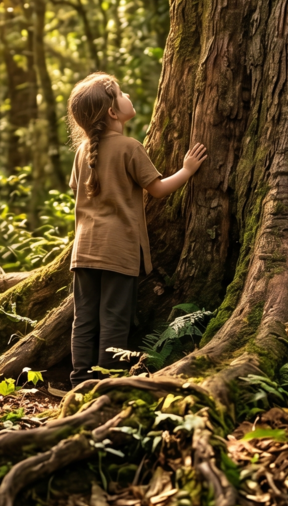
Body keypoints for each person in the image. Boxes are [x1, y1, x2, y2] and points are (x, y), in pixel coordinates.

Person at [66, 73, 207, 388]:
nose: (126, 94)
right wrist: (186, 170)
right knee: (114, 318)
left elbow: (76, 187)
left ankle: (79, 380)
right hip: (118, 250)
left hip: (84, 251)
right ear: (113, 113)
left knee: (84, 319)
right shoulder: (130, 147)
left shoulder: (82, 151)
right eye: (120, 92)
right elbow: (157, 189)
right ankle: (107, 383)